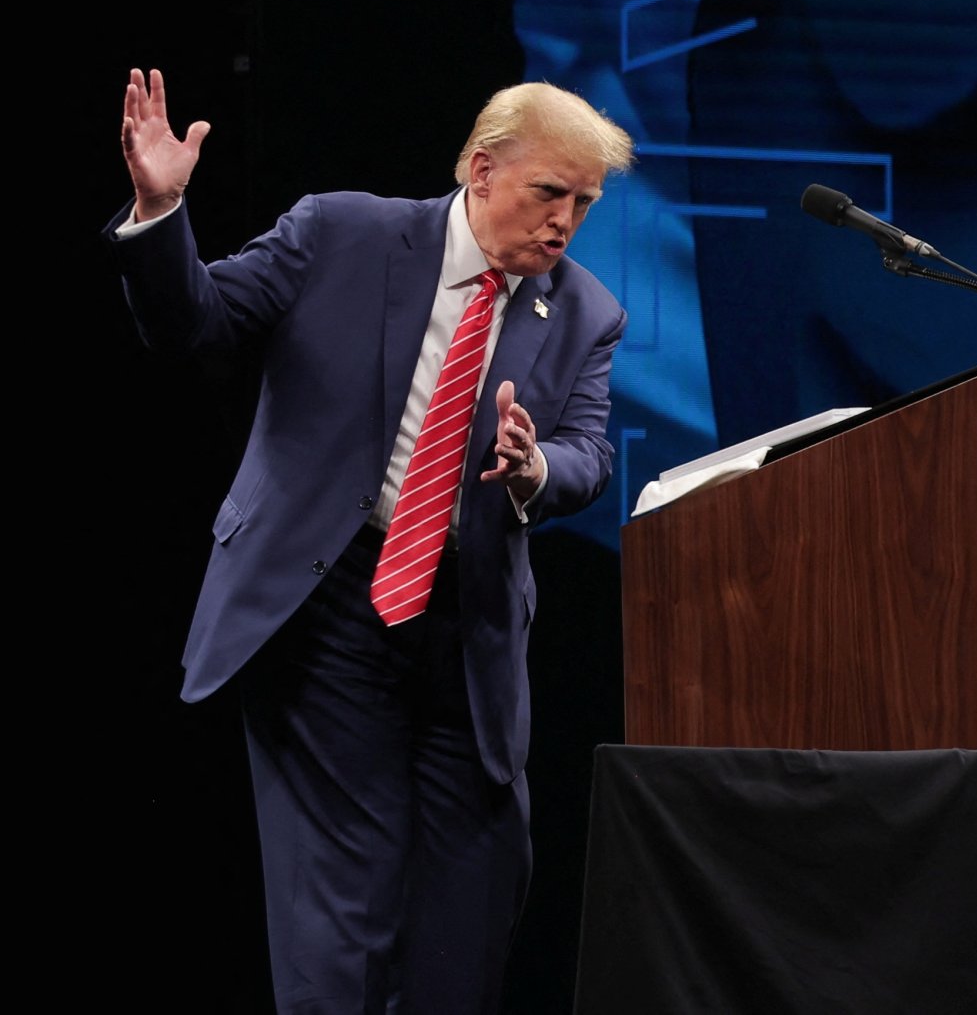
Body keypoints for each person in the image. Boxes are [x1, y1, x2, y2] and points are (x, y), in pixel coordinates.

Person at [105, 68, 635, 1013]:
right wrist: (160, 211)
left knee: (472, 902)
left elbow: (589, 452)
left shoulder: (585, 312)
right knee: (344, 899)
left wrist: (535, 468)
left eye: (583, 204)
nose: (564, 223)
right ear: (481, 170)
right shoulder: (341, 233)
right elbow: (197, 322)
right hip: (330, 605)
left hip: (463, 627)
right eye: (549, 192)